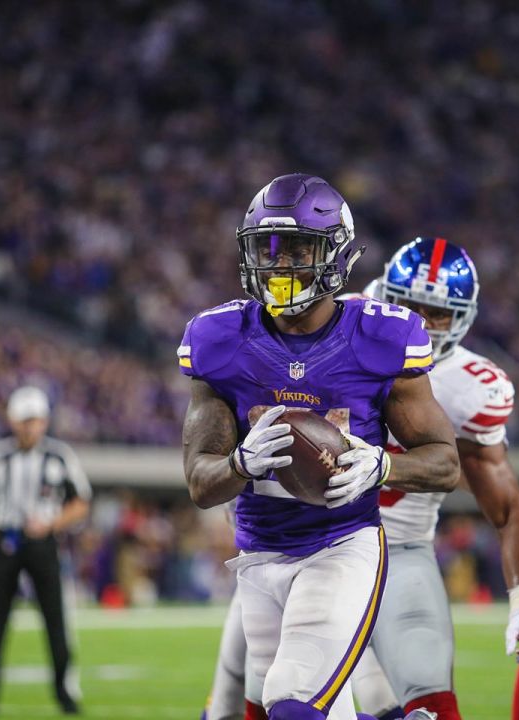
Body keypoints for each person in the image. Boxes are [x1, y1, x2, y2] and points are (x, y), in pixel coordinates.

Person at [200, 239, 519, 720]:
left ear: (463, 318)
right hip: (282, 540)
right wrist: (238, 467)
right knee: (238, 704)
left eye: (438, 313)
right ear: (385, 293)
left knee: (417, 694)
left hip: (393, 547)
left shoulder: (470, 387)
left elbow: (506, 505)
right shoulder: (342, 328)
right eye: (410, 305)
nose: (421, 321)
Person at [179, 173, 460, 720]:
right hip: (259, 554)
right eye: (268, 248)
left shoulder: (381, 338)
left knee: (292, 702)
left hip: (342, 546)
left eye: (298, 249)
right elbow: (200, 482)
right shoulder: (219, 341)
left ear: (336, 256)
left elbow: (445, 461)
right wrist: (239, 463)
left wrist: (382, 466)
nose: (279, 265)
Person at [0, 385, 92, 715]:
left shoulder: (59, 455)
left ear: (45, 422)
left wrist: (51, 524)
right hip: (4, 544)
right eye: (24, 420)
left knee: (57, 620)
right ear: (12, 421)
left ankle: (65, 691)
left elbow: (80, 503)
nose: (29, 426)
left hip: (42, 544)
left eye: (35, 420)